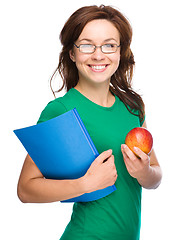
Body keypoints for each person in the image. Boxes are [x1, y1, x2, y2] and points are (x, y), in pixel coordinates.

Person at [17, 5, 162, 240]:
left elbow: (155, 176)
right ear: (72, 53)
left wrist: (144, 171)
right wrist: (85, 184)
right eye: (86, 45)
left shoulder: (132, 107)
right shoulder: (61, 110)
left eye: (109, 45)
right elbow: (26, 189)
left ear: (120, 52)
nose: (98, 55)